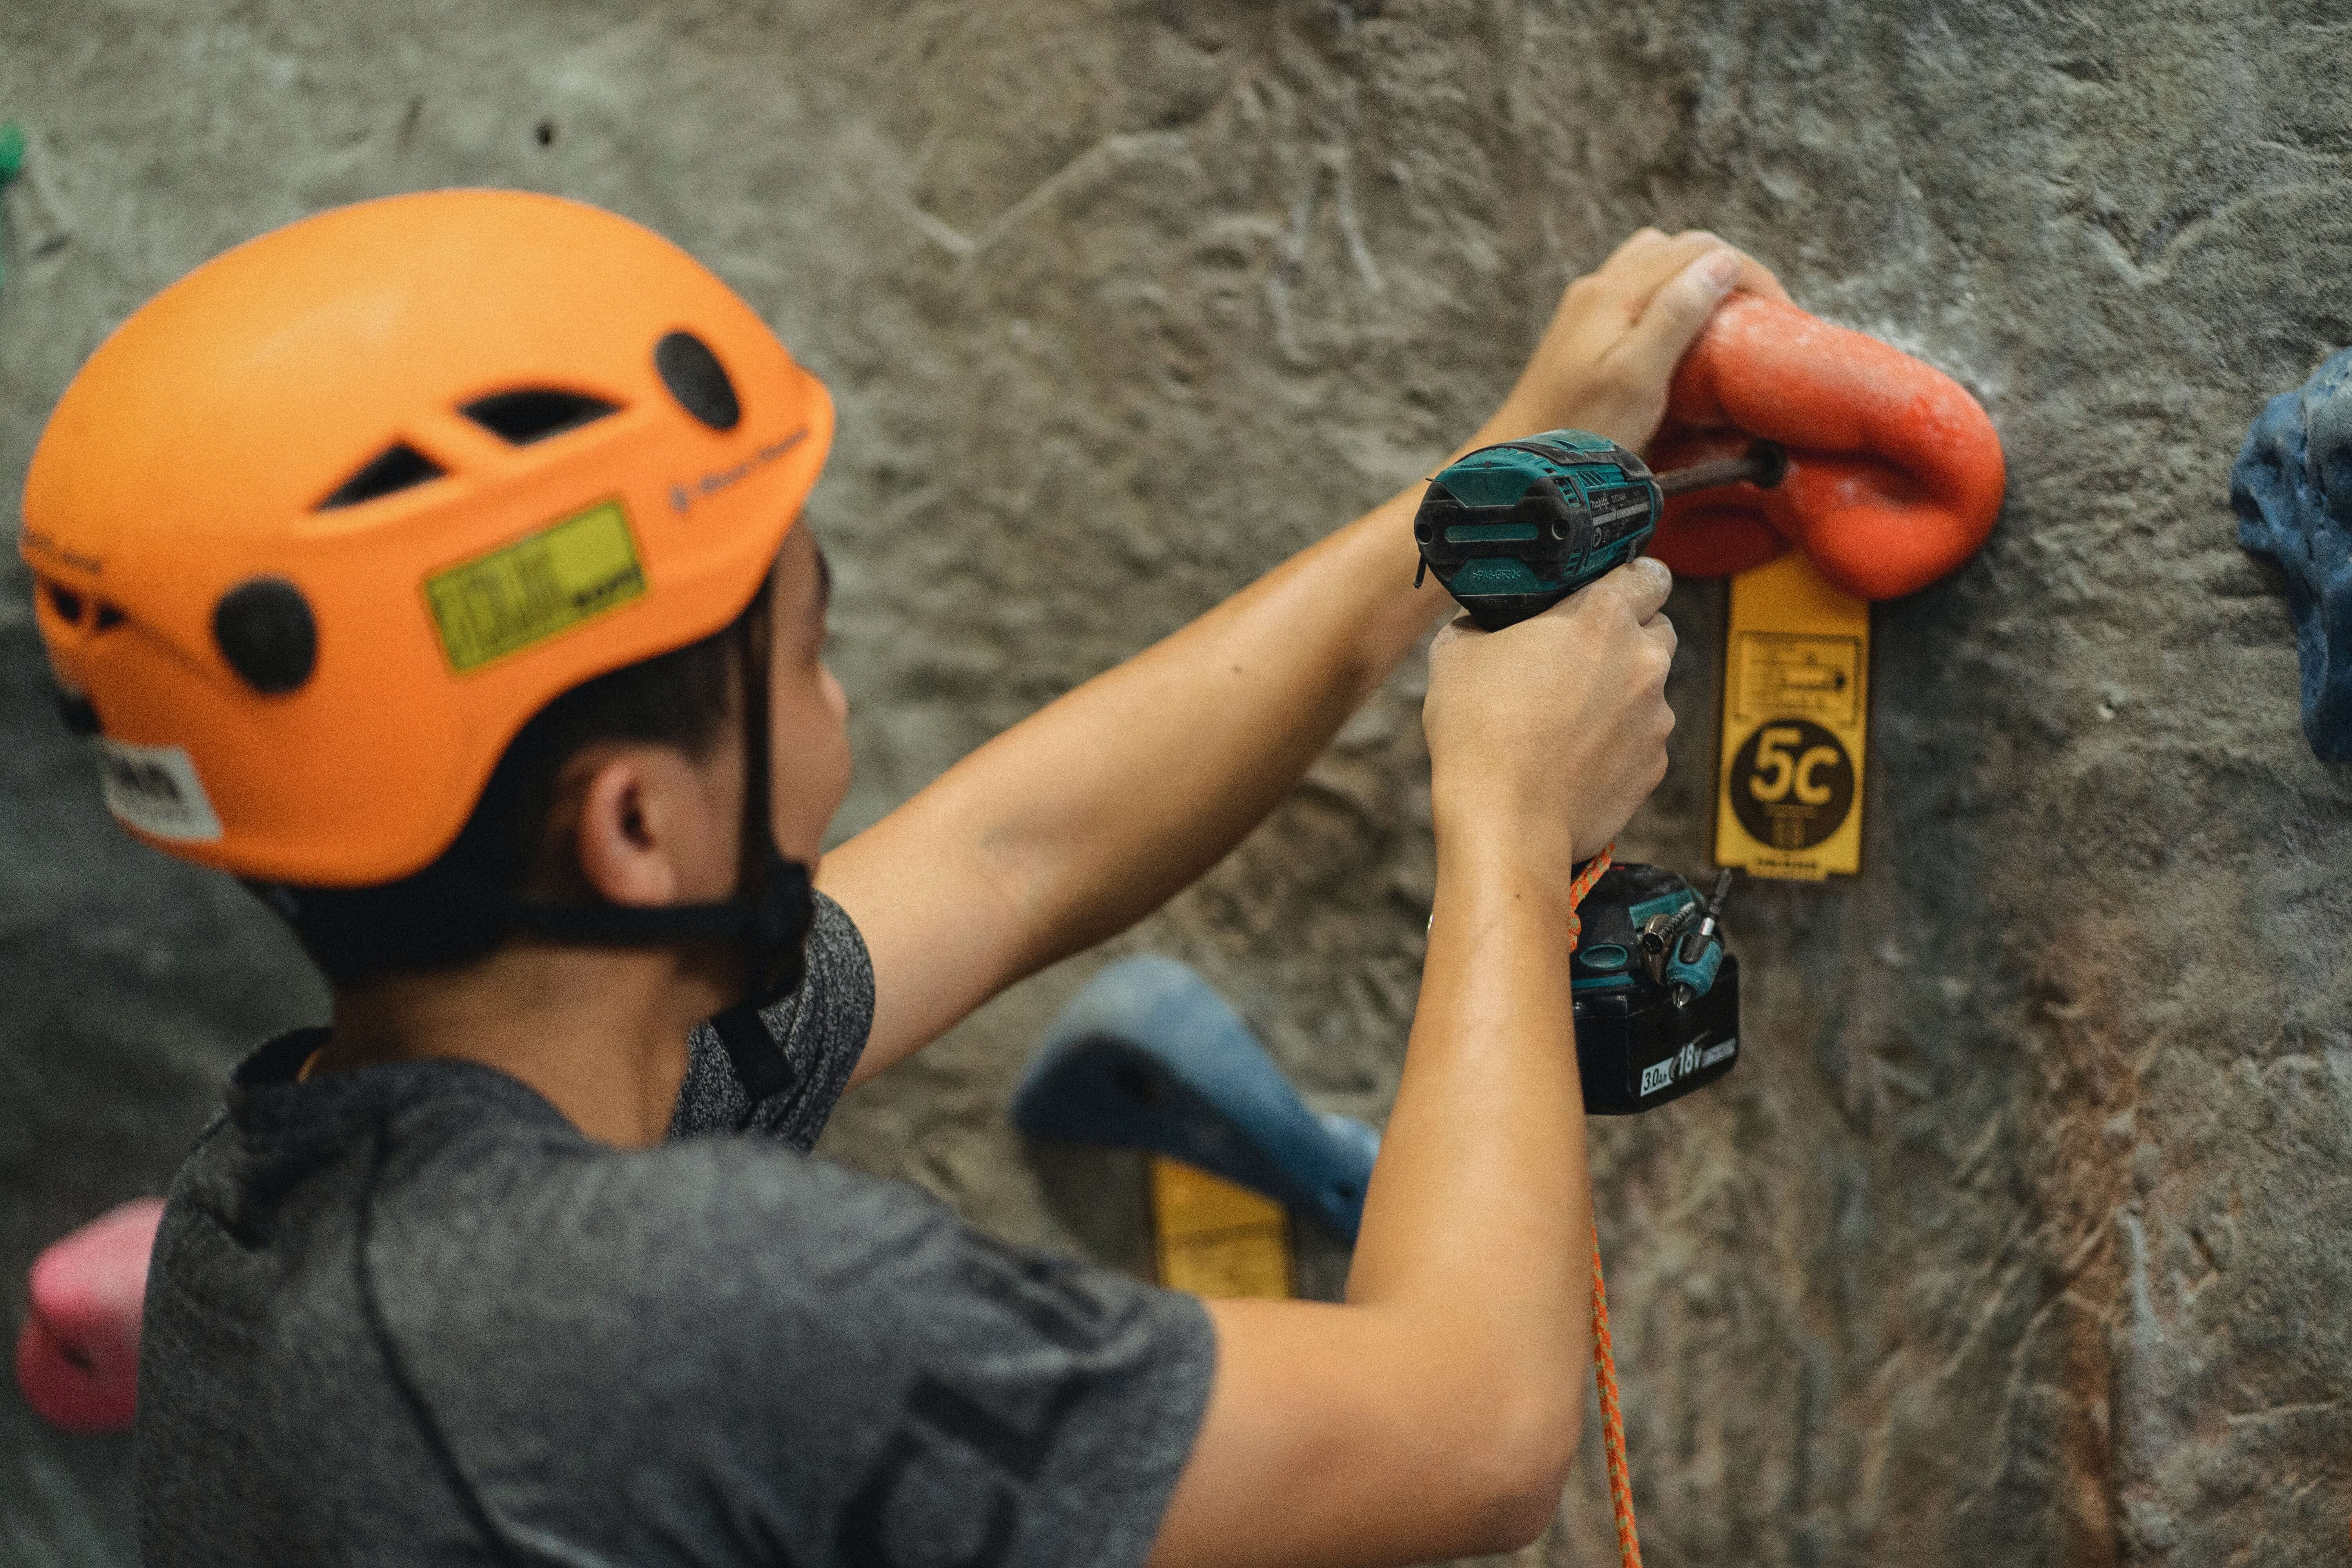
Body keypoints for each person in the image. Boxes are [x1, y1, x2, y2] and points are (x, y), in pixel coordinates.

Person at [19, 190, 1782, 1566]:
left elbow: (1012, 858)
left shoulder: (296, 1198)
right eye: (807, 652)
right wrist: (1507, 821)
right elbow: (1471, 1430)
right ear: (635, 828)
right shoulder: (690, 1311)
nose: (841, 710)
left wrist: (1468, 501)